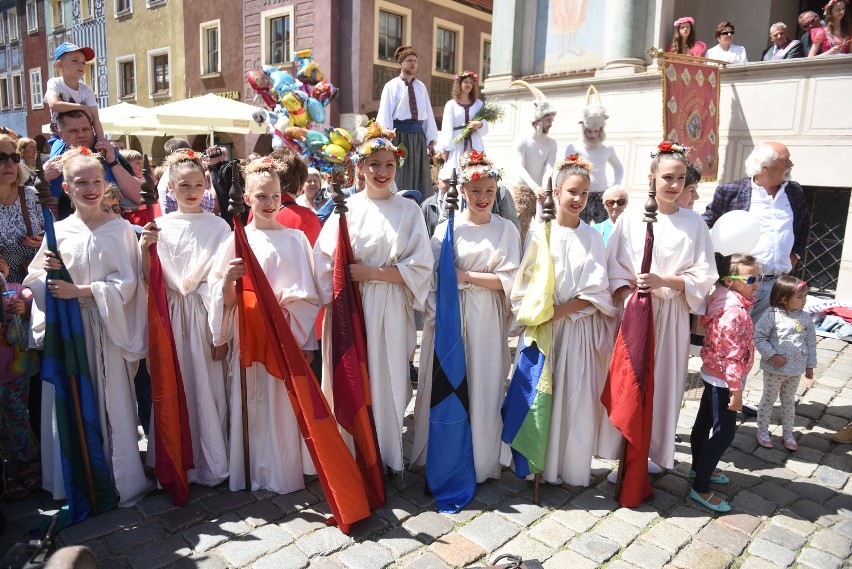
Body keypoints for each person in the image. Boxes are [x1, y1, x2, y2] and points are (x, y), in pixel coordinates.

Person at [26, 148, 152, 506]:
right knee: (75, 399)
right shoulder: (59, 232)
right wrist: (47, 274)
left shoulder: (121, 230)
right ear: (67, 188)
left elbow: (128, 285)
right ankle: (74, 477)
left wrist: (79, 290)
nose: (91, 188)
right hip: (70, 331)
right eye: (81, 182)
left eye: (97, 180)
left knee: (112, 399)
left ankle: (120, 476)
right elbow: (33, 280)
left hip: (106, 330)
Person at [314, 123, 433, 474]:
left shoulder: (409, 211)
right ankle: (353, 451)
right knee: (353, 377)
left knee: (390, 376)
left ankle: (385, 454)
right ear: (359, 168)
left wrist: (372, 273)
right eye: (374, 165)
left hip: (391, 306)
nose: (382, 172)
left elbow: (421, 268)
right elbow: (324, 262)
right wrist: (339, 283)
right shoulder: (344, 209)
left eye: (388, 165)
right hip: (350, 308)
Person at [209, 158, 321, 493]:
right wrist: (228, 279)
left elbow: (309, 295)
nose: (269, 203)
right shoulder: (235, 239)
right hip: (251, 337)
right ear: (247, 198)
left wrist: (304, 339)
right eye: (261, 197)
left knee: (285, 404)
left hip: (286, 336)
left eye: (274, 195)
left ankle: (285, 468)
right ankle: (254, 468)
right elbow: (223, 297)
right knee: (253, 402)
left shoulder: (296, 240)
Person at [605, 141, 717, 473]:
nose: (674, 185)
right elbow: (613, 266)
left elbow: (705, 274)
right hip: (636, 313)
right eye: (667, 177)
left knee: (665, 382)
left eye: (680, 178)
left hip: (672, 316)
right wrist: (630, 292)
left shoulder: (694, 223)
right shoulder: (630, 219)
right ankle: (623, 451)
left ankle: (655, 452)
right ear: (652, 177)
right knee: (629, 381)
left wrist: (665, 281)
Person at [411, 150, 520, 483]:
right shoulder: (447, 228)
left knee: (484, 382)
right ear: (462, 192)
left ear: (496, 190)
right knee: (451, 381)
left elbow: (512, 280)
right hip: (451, 316)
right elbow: (431, 277)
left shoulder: (506, 231)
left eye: (489, 191)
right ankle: (444, 453)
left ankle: (482, 458)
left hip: (487, 316)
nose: (482, 198)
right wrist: (440, 306)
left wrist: (467, 277)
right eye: (475, 191)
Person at [140, 151, 231, 487]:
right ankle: (175, 457)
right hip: (174, 316)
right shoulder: (160, 225)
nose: (192, 191)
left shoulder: (219, 226)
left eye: (198, 184)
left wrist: (220, 330)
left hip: (207, 313)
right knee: (174, 384)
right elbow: (150, 279)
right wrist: (143, 248)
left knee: (208, 386)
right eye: (184, 185)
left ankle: (210, 459)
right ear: (172, 188)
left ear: (205, 186)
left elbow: (222, 279)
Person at [524, 156, 615, 487]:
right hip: (544, 328)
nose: (578, 200)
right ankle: (539, 461)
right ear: (558, 192)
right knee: (541, 395)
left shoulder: (592, 237)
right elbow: (526, 281)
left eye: (585, 194)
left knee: (573, 397)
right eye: (573, 192)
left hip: (575, 328)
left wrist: (558, 312)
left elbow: (595, 289)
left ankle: (568, 464)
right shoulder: (540, 233)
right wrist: (538, 310)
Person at [702, 142, 810, 325]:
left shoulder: (794, 191)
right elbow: (706, 224)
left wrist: (796, 255)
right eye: (785, 160)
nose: (791, 164)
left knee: (763, 340)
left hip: (777, 284)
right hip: (740, 284)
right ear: (764, 166)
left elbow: (803, 225)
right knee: (731, 337)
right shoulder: (732, 191)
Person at [689, 254, 760, 512]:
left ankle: (698, 468)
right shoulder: (734, 312)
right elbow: (731, 355)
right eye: (751, 278)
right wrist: (736, 389)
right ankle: (701, 486)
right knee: (724, 433)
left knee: (704, 423)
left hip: (712, 372)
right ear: (730, 281)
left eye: (759, 277)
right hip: (723, 379)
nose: (757, 283)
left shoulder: (723, 297)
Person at [753, 276, 817, 452]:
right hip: (775, 369)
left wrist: (810, 365)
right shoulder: (771, 315)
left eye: (805, 296)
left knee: (789, 401)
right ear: (783, 298)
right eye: (800, 297)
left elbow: (811, 342)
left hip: (795, 371)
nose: (804, 300)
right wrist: (772, 355)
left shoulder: (805, 318)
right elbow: (759, 337)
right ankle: (763, 431)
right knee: (769, 399)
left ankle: (788, 433)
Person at [41, 110, 141, 222]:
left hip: (111, 230)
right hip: (74, 232)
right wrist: (44, 177)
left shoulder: (107, 152)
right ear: (61, 135)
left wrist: (112, 163)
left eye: (86, 129)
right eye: (73, 131)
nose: (81, 135)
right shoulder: (55, 159)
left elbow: (139, 197)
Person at [0, 249, 40, 502]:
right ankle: (5, 476)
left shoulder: (14, 291)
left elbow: (30, 300)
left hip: (14, 374)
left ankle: (24, 465)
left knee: (18, 422)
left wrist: (24, 310)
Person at [376, 46, 439, 198]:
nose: (413, 64)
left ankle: (419, 209)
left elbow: (428, 115)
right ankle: (398, 203)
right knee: (400, 173)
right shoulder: (391, 86)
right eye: (409, 60)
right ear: (400, 64)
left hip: (418, 137)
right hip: (399, 137)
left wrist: (430, 140)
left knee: (419, 173)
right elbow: (385, 113)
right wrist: (387, 138)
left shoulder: (421, 87)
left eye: (415, 61)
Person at [563, 97, 624, 224]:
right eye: (589, 131)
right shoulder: (574, 147)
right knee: (579, 230)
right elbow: (566, 174)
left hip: (602, 197)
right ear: (584, 129)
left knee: (604, 233)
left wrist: (615, 187)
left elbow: (618, 168)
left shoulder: (607, 147)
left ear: (601, 130)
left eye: (596, 131)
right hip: (580, 196)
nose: (592, 135)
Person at [45, 43, 105, 156]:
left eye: (83, 62)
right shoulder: (54, 83)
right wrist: (82, 107)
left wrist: (102, 141)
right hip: (60, 137)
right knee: (55, 163)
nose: (81, 65)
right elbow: (54, 104)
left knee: (111, 156)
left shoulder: (87, 90)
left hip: (85, 137)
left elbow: (96, 120)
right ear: (60, 64)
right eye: (75, 61)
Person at [510, 80, 558, 208]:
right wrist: (534, 187)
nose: (551, 124)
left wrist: (543, 188)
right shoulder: (522, 139)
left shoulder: (552, 143)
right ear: (537, 120)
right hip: (523, 191)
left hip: (542, 193)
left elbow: (549, 168)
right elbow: (519, 167)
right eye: (548, 120)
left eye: (552, 121)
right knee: (520, 227)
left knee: (546, 226)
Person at [437, 71, 489, 181]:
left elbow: (485, 126)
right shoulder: (451, 104)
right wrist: (446, 149)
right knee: (455, 174)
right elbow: (446, 128)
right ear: (459, 84)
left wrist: (479, 124)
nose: (468, 85)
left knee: (476, 172)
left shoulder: (478, 103)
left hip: (475, 142)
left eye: (471, 82)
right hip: (457, 142)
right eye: (465, 82)